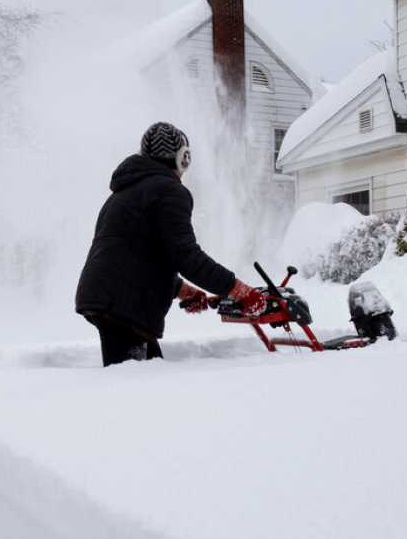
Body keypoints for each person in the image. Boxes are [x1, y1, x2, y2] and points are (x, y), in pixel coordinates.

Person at [75, 122, 265, 366]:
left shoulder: (122, 193)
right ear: (182, 158)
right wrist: (237, 289)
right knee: (132, 385)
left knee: (145, 373)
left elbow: (138, 254)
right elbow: (186, 256)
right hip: (123, 304)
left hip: (106, 297)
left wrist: (179, 289)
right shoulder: (170, 191)